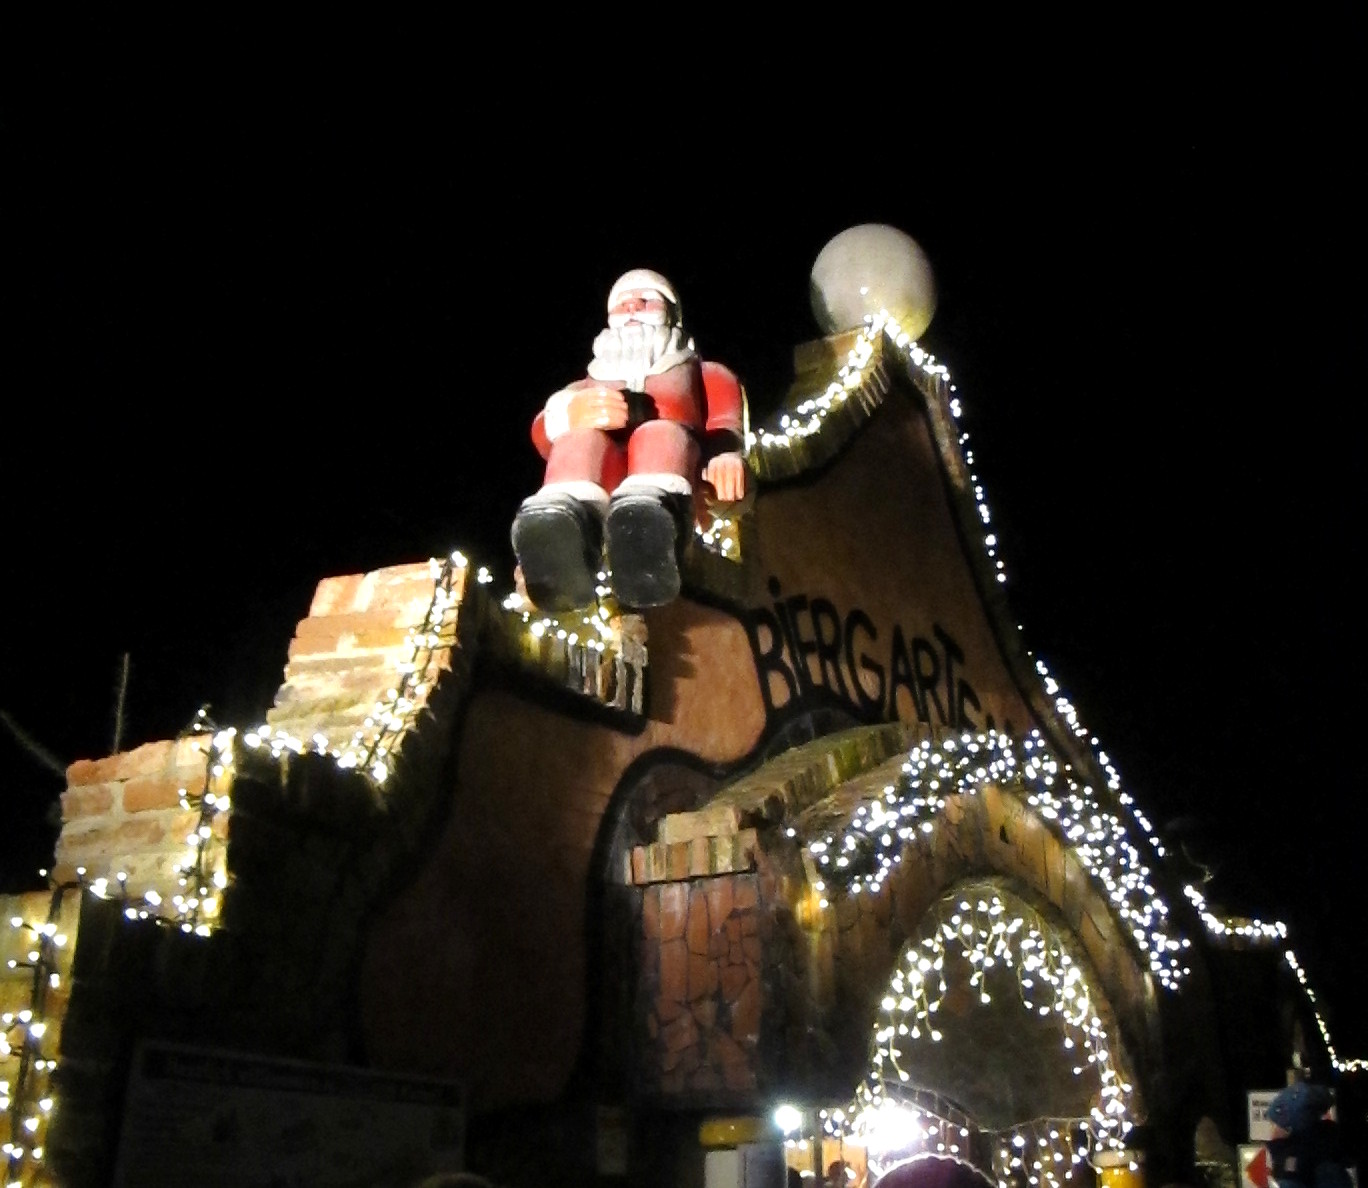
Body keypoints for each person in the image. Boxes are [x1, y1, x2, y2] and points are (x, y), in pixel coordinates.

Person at [511, 268, 748, 611]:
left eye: (647, 300)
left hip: (670, 460)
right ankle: (560, 535)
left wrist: (724, 455)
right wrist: (569, 415)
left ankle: (648, 534)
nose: (634, 306)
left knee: (660, 434)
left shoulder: (699, 372)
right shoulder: (590, 381)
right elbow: (542, 430)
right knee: (579, 443)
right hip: (604, 470)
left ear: (672, 314)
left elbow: (724, 418)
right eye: (623, 304)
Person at [1266, 1080, 1352, 1188]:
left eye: (1276, 1124)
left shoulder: (1296, 1167)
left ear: (1289, 1128)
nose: (1272, 1132)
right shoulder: (1324, 1153)